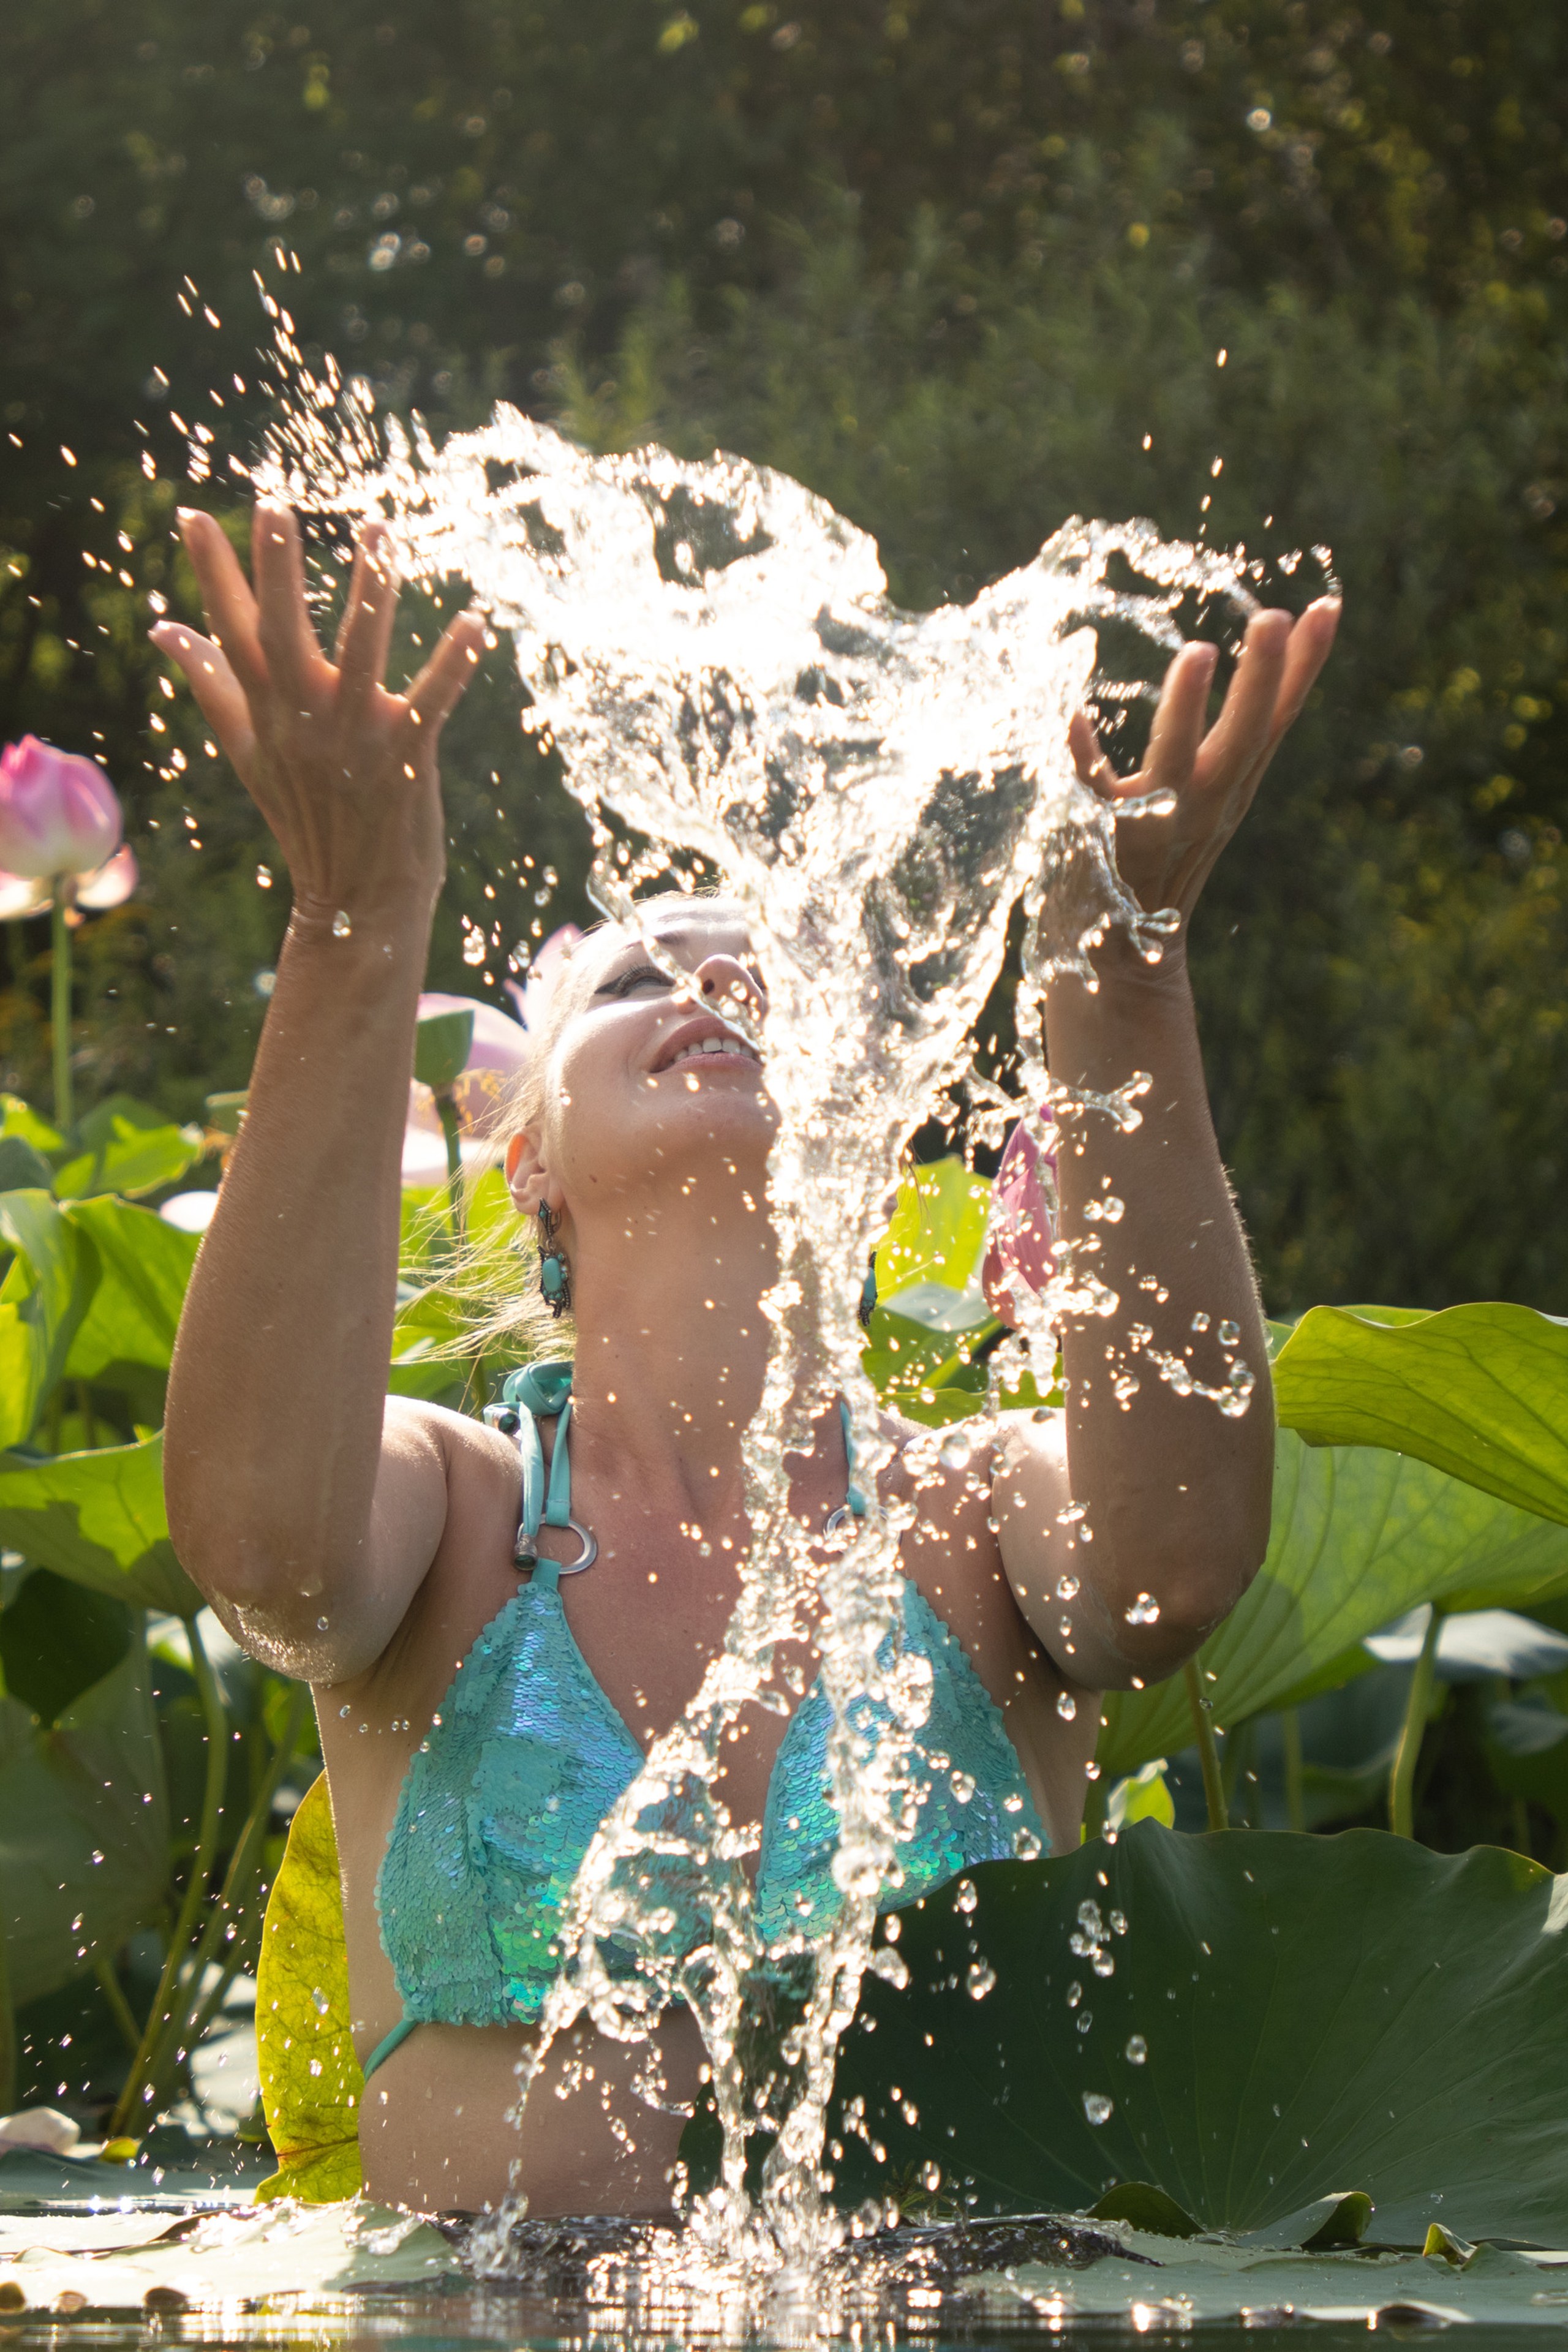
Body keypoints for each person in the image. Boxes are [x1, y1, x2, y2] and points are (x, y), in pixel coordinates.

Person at [155, 500, 1338, 2217]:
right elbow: (261, 1549)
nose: (719, 975)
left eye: (780, 974)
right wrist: (355, 920)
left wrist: (1118, 962)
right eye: (644, 970)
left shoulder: (984, 1513)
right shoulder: (449, 1512)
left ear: (869, 1103)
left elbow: (1172, 1567)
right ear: (531, 1162)